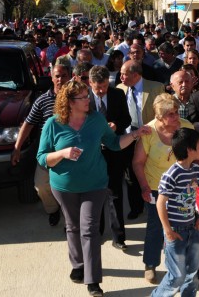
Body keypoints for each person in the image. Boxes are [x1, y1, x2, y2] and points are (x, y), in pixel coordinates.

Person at [37, 80, 151, 297]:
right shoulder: (53, 124)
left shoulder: (97, 119)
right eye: (83, 97)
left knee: (89, 229)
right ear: (70, 102)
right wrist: (62, 153)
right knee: (73, 227)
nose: (88, 99)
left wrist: (135, 134)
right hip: (64, 186)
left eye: (87, 95)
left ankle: (93, 280)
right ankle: (78, 264)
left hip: (96, 184)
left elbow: (115, 143)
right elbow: (42, 159)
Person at [132, 93, 194, 284]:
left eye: (176, 112)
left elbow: (197, 155)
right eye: (171, 115)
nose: (176, 118)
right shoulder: (149, 132)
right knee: (156, 226)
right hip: (156, 188)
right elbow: (138, 162)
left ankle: (182, 266)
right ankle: (150, 264)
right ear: (159, 117)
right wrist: (144, 187)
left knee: (184, 226)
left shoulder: (187, 127)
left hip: (183, 187)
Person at [11, 64, 71, 226]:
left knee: (70, 187)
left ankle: (69, 220)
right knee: (41, 185)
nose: (60, 79)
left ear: (70, 77)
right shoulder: (42, 100)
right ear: (51, 78)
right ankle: (53, 209)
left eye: (64, 75)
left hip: (72, 152)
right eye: (57, 76)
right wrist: (17, 148)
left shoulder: (77, 98)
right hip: (48, 152)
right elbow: (29, 124)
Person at [151, 128, 199, 297]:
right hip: (175, 231)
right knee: (177, 276)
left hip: (193, 228)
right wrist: (167, 229)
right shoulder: (171, 175)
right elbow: (160, 203)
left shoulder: (196, 171)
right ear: (190, 150)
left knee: (192, 276)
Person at [88, 65, 131, 250]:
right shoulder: (83, 98)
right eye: (97, 87)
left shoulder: (117, 95)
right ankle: (97, 232)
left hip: (114, 150)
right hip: (92, 153)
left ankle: (119, 237)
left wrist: (116, 126)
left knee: (115, 193)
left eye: (104, 86)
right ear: (90, 83)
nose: (101, 90)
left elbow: (127, 120)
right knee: (95, 193)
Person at [117, 60, 165, 220]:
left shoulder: (156, 88)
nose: (121, 77)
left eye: (124, 74)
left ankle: (154, 203)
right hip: (129, 137)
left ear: (136, 74)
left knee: (150, 170)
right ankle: (135, 207)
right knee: (130, 174)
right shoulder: (120, 89)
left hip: (149, 138)